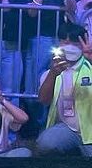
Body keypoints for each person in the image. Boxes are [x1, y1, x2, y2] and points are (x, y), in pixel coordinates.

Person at [35, 27, 92, 157]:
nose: (69, 46)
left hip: (90, 132)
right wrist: (53, 74)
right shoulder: (51, 72)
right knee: (46, 143)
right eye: (64, 42)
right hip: (66, 128)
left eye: (74, 42)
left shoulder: (89, 66)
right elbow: (43, 100)